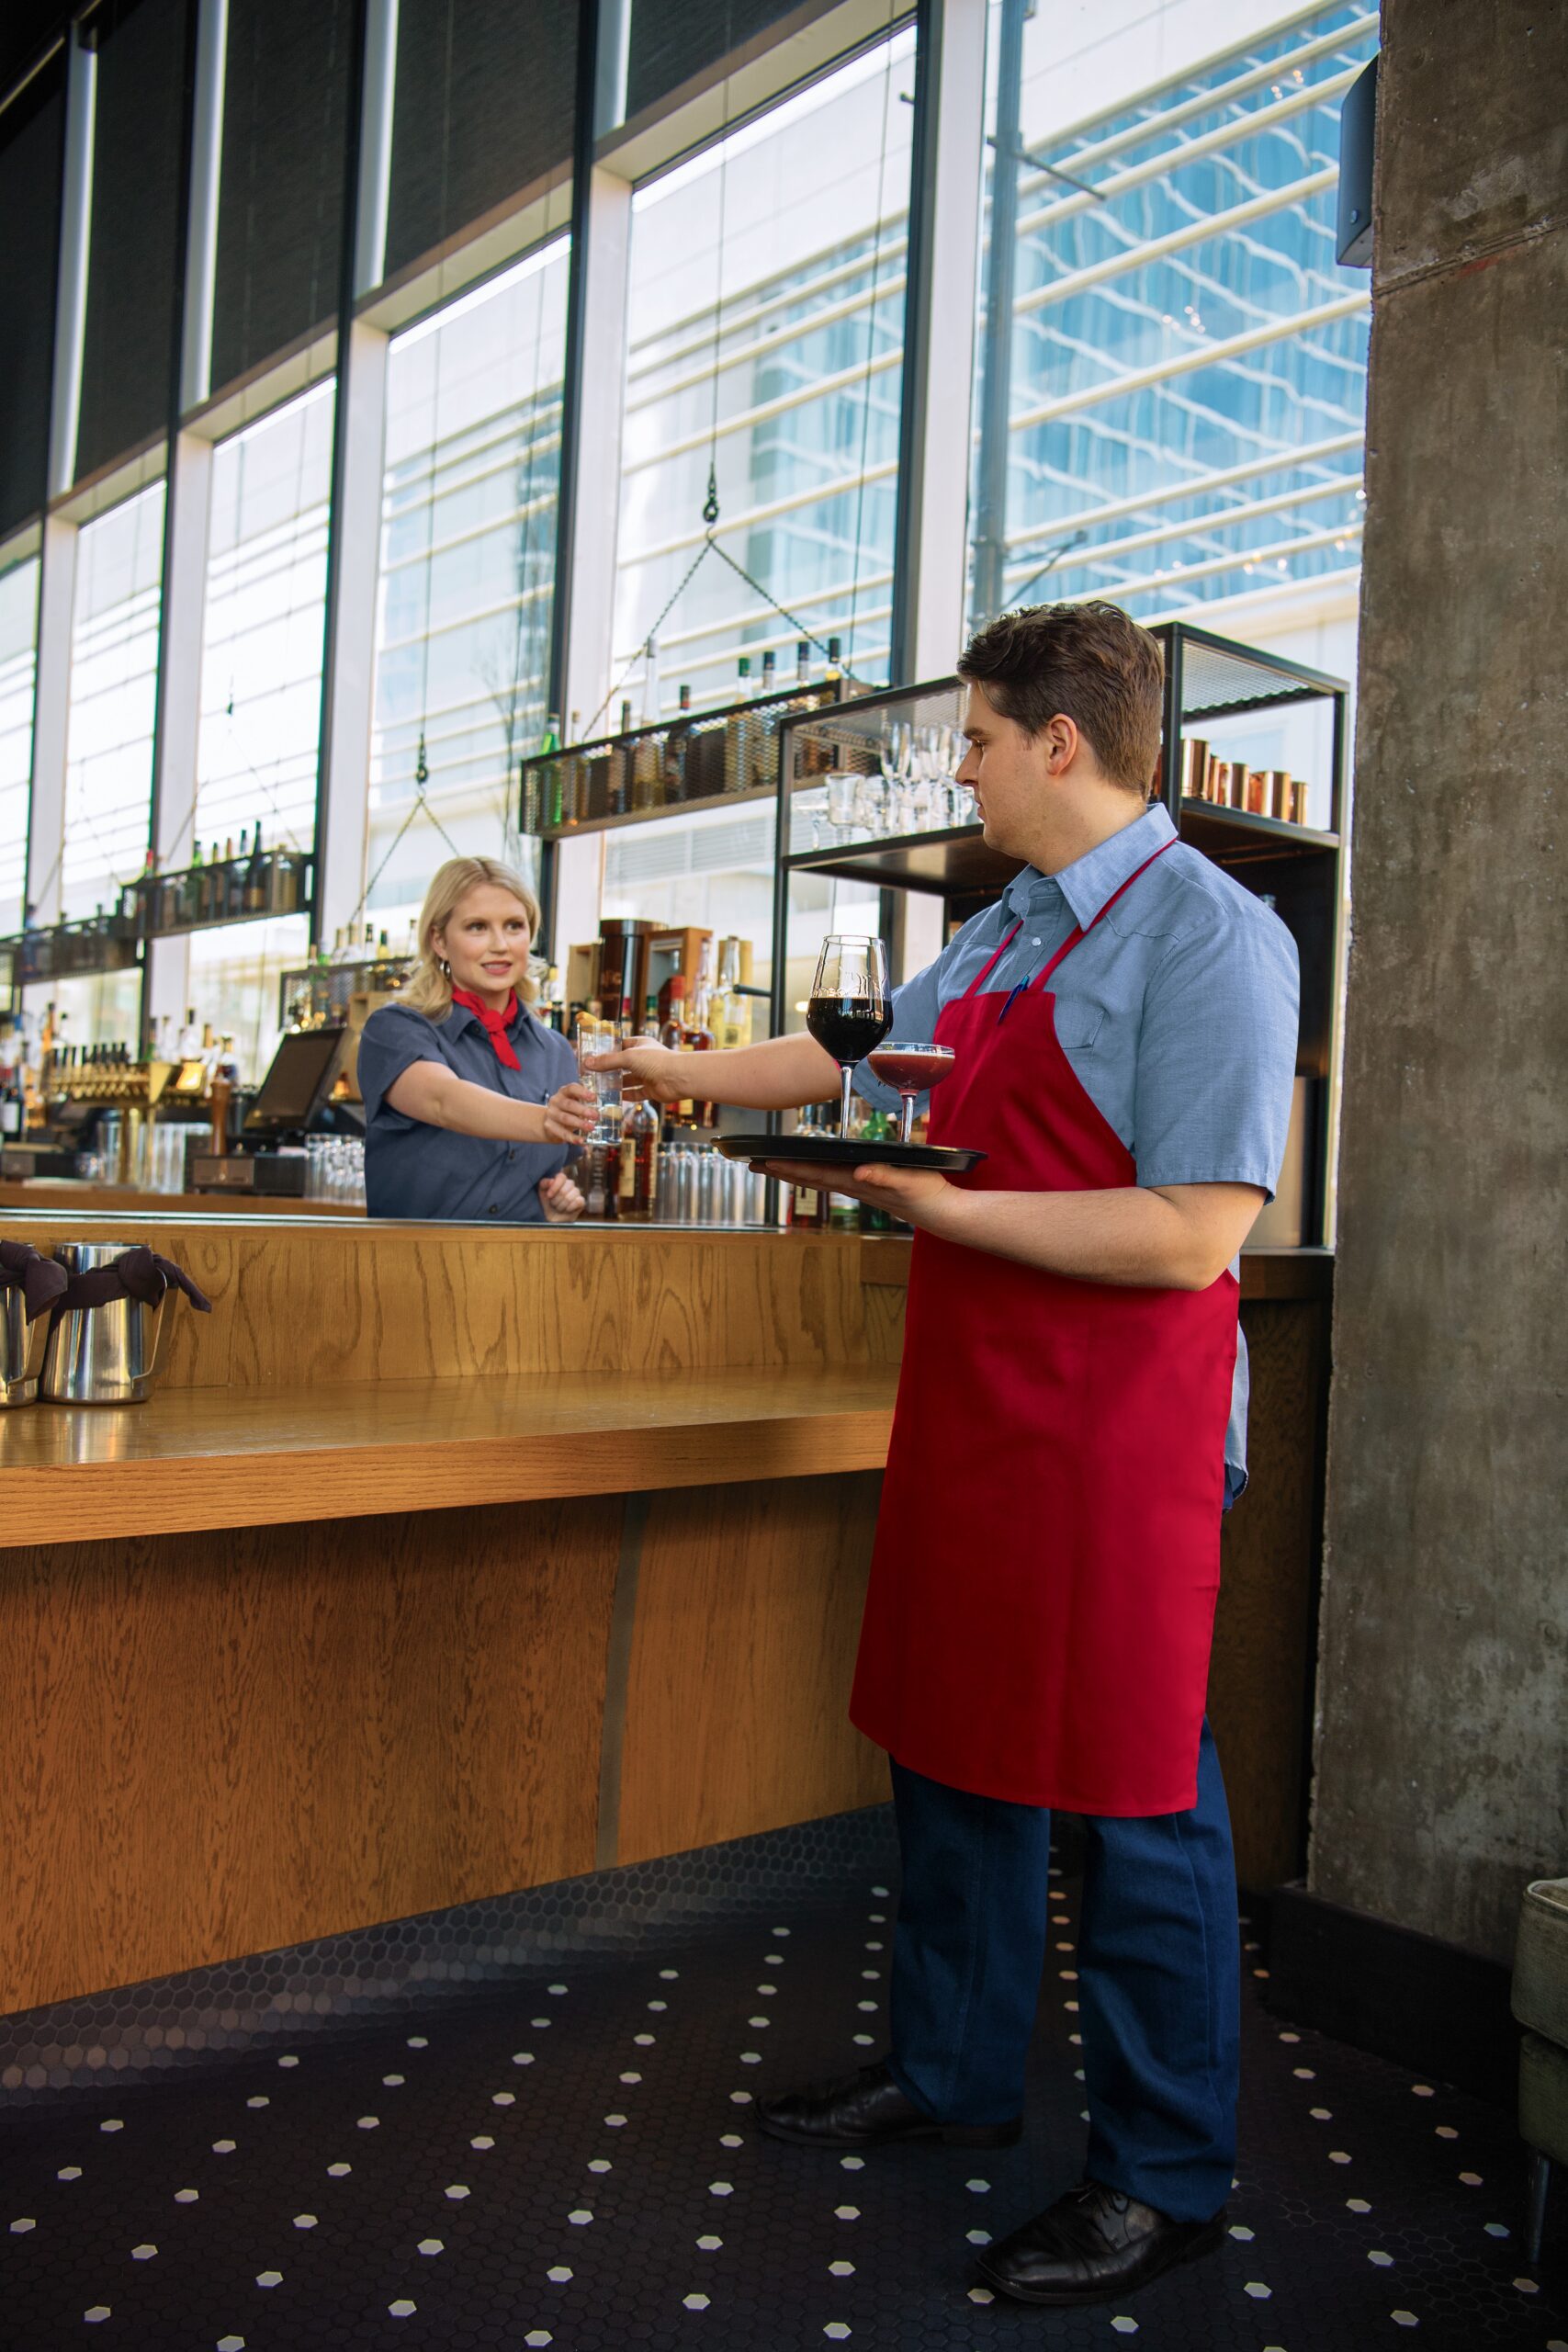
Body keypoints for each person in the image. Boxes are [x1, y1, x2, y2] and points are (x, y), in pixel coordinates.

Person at [593, 601, 1299, 2311]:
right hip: (980, 1400)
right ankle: (953, 2074)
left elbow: (1194, 1234)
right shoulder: (1001, 930)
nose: (959, 764)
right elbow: (848, 1065)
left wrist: (939, 1204)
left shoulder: (1208, 937)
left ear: (1059, 743)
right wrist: (670, 1070)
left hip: (1121, 1424)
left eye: (975, 737)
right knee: (955, 1752)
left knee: (1134, 1800)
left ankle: (1161, 2171)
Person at [356, 856, 595, 1223]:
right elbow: (442, 1101)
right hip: (412, 1268)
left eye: (514, 926)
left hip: (521, 1267)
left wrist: (555, 1208)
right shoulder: (394, 1030)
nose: (500, 945)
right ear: (439, 940)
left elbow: (547, 1180)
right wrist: (546, 1120)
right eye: (477, 927)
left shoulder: (554, 1052)